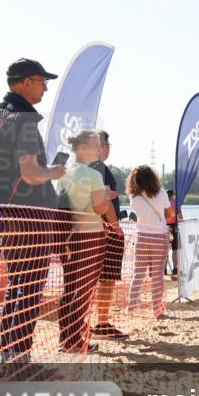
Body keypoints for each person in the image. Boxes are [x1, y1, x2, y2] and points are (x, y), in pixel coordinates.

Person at [0, 58, 66, 368]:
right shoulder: (24, 118)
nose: (45, 88)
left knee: (16, 284)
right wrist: (54, 172)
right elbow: (30, 173)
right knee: (29, 289)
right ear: (26, 82)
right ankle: (20, 361)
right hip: (31, 216)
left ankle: (9, 356)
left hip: (1, 214)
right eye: (42, 82)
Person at [57, 130, 114, 352]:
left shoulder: (63, 172)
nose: (98, 149)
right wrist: (106, 200)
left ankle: (66, 338)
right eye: (95, 145)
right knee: (83, 290)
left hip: (67, 237)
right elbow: (100, 207)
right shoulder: (93, 175)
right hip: (89, 235)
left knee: (69, 287)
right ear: (83, 148)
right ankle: (74, 340)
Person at [90, 131, 125, 336]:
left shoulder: (92, 169)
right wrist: (115, 227)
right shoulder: (98, 169)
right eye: (107, 143)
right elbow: (102, 201)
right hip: (105, 230)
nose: (109, 147)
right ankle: (102, 322)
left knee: (101, 279)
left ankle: (100, 322)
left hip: (99, 229)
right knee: (106, 278)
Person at [126, 165, 170, 320]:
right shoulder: (162, 193)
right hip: (159, 235)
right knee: (157, 274)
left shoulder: (134, 196)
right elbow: (168, 212)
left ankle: (131, 306)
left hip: (141, 235)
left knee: (138, 273)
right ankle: (156, 309)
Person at [165, 189, 180, 279]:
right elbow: (180, 216)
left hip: (165, 227)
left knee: (165, 250)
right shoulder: (175, 204)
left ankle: (164, 269)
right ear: (172, 196)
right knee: (175, 249)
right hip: (174, 227)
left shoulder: (164, 205)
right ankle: (175, 268)